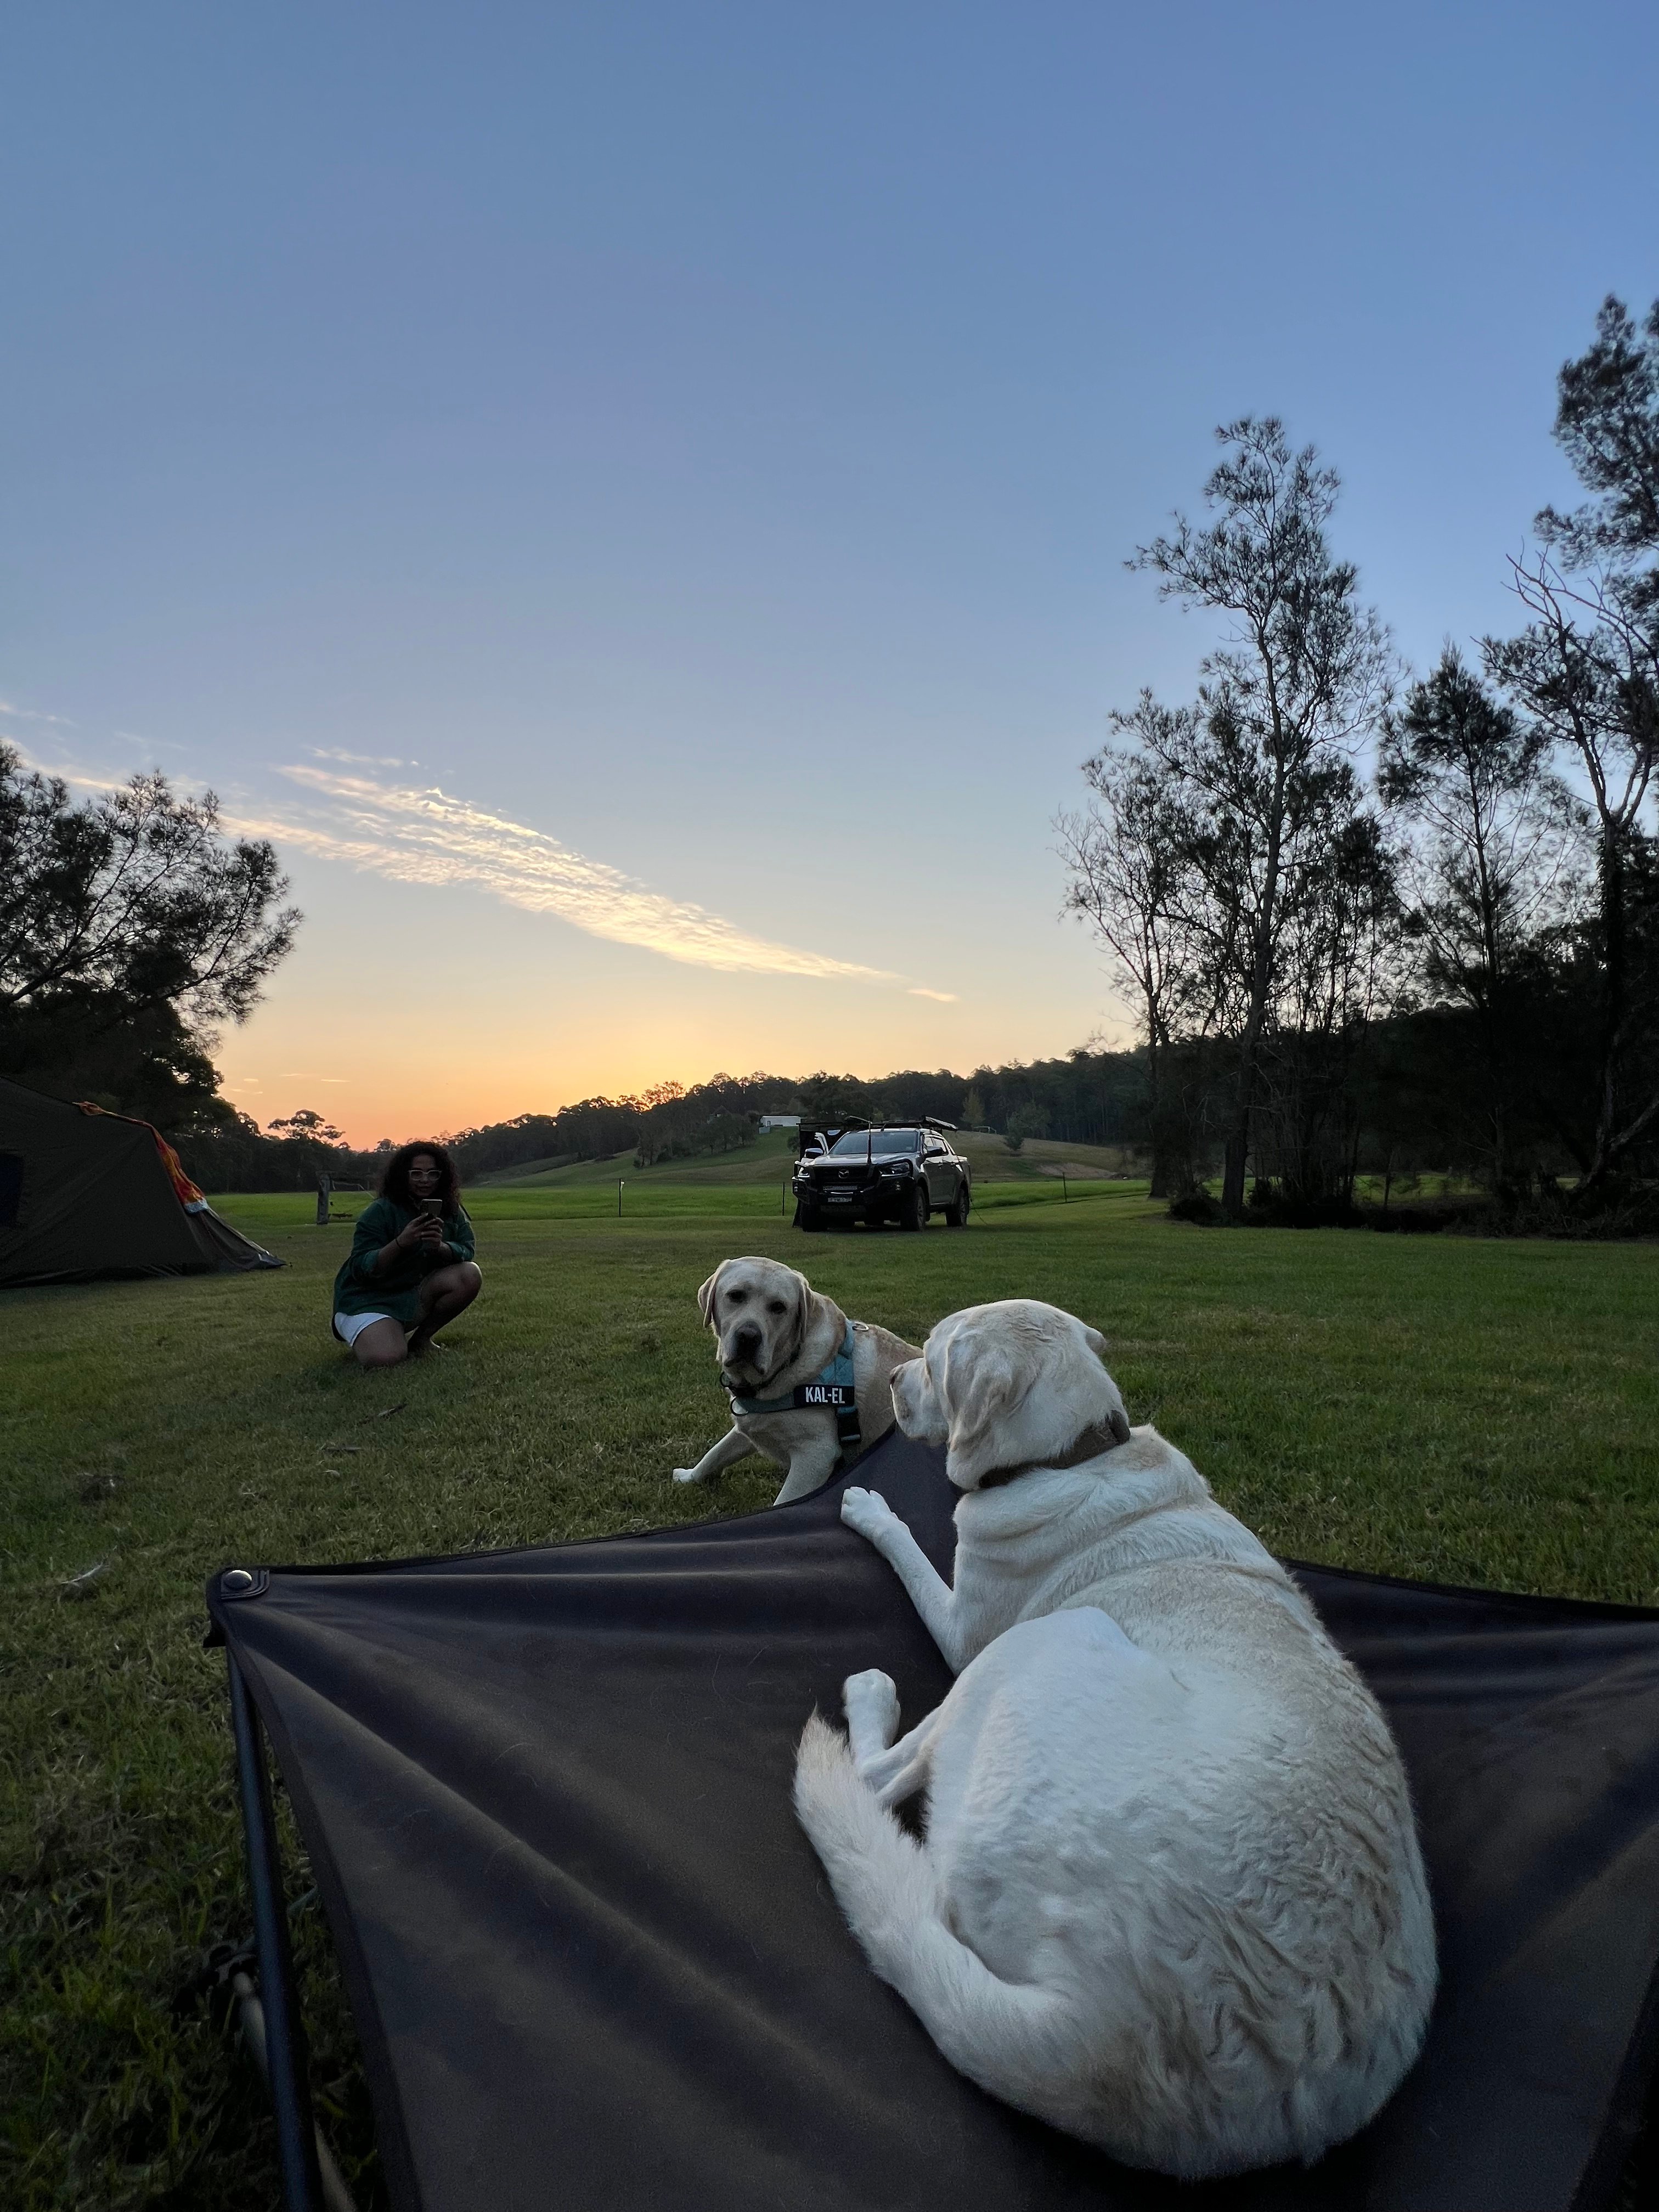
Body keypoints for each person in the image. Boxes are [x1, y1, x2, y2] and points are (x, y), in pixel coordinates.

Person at [331, 1141, 481, 1367]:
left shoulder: (450, 1209)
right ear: (404, 1175)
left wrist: (441, 1248)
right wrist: (402, 1242)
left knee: (469, 1273)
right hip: (368, 1300)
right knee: (386, 1358)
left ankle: (421, 1341)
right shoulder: (380, 1211)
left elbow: (467, 1248)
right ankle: (372, 1333)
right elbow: (361, 1268)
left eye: (433, 1174)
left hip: (411, 1293)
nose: (425, 1180)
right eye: (417, 1173)